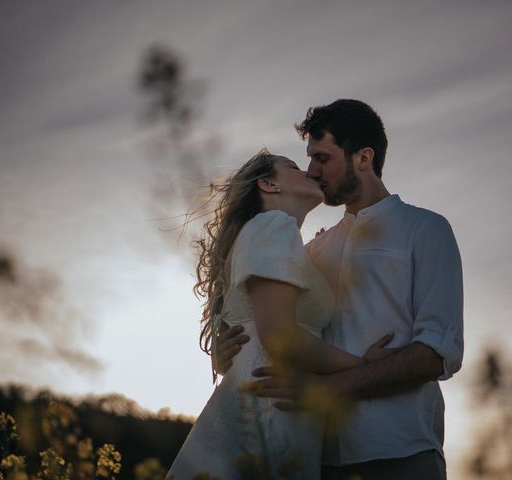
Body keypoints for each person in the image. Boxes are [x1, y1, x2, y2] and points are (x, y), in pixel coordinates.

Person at [216, 99, 464, 480]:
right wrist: (227, 350)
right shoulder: (312, 249)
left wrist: (328, 390)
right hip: (318, 457)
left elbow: (438, 352)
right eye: (307, 161)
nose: (312, 172)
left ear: (363, 158)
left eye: (322, 158)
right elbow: (273, 323)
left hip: (402, 450)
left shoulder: (426, 230)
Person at [166, 149, 393, 480]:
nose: (311, 173)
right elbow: (279, 336)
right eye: (294, 167)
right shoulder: (274, 225)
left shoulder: (267, 235)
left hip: (262, 394)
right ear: (269, 184)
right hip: (274, 400)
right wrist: (365, 367)